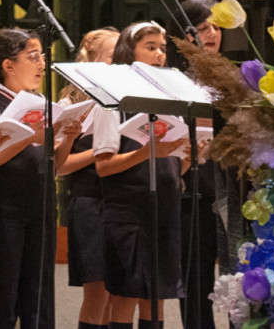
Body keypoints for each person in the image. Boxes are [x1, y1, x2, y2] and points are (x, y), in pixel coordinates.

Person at [0, 28, 82, 329]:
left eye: (42, 57)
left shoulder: (40, 102)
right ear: (8, 65)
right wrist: (25, 138)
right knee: (4, 296)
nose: (41, 65)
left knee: (40, 297)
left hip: (41, 209)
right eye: (33, 57)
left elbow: (53, 166)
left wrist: (69, 138)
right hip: (4, 210)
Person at [93, 21, 189, 329]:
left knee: (157, 296)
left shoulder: (172, 99)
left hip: (164, 210)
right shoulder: (111, 100)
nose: (159, 54)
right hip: (128, 213)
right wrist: (147, 152)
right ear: (127, 52)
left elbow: (173, 165)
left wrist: (189, 150)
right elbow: (103, 165)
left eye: (162, 48)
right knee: (128, 294)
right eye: (150, 47)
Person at [57, 28, 120, 329]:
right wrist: (104, 150)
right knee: (97, 295)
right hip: (90, 204)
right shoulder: (71, 105)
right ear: (92, 60)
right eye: (112, 56)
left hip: (121, 203)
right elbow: (60, 165)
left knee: (117, 295)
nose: (120, 62)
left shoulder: (128, 101)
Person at [168, 1, 221, 329]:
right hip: (193, 195)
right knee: (197, 282)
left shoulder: (237, 74)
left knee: (239, 282)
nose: (213, 34)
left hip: (233, 193)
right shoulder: (174, 82)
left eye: (216, 27)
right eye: (203, 29)